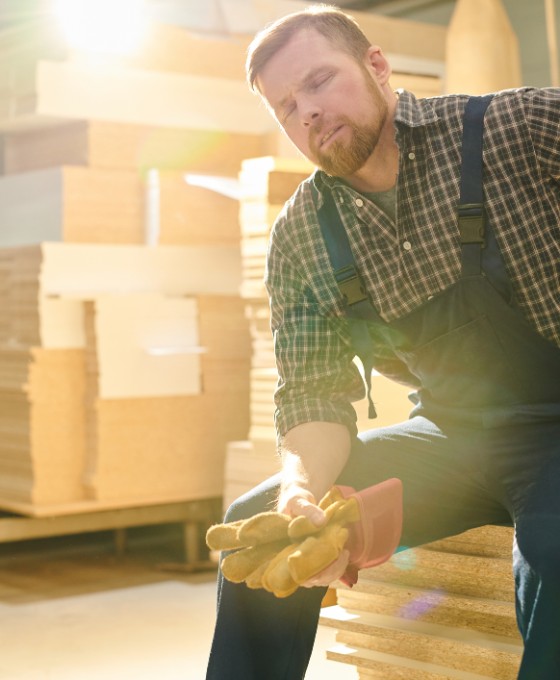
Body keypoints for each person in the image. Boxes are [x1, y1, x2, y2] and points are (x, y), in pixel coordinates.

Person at [206, 5, 560, 679]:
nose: (306, 111)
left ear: (375, 67)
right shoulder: (303, 235)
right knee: (261, 531)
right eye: (286, 106)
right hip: (452, 438)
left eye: (319, 81)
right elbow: (314, 393)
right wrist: (301, 493)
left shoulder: (516, 130)